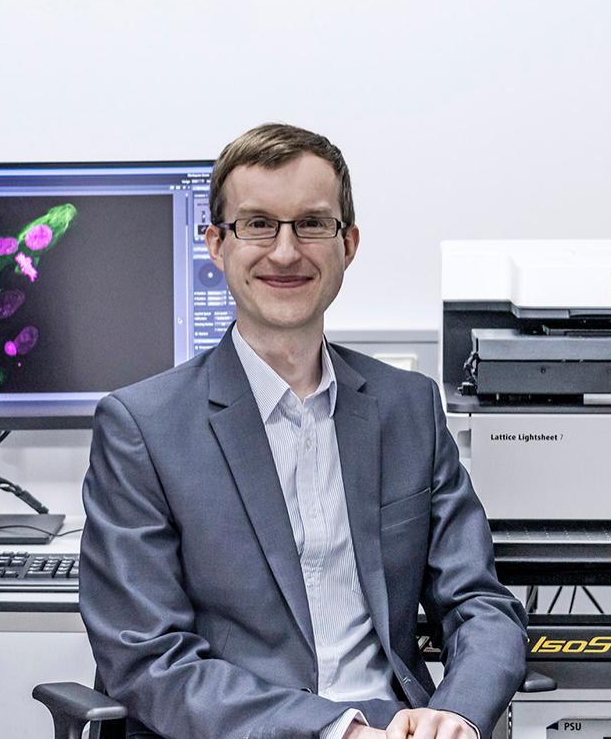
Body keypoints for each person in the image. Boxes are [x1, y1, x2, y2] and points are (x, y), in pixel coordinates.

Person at [81, 123, 527, 739]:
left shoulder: (408, 408)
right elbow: (147, 660)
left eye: (312, 224)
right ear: (216, 245)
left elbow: (480, 604)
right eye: (258, 224)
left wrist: (457, 714)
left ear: (349, 243)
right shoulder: (143, 427)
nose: (286, 252)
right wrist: (333, 730)